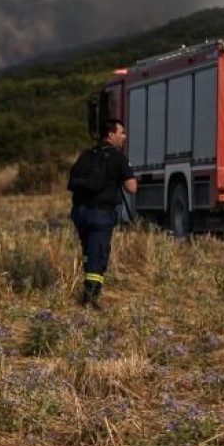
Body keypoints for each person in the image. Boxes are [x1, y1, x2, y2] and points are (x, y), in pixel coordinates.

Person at [69, 119, 137, 310]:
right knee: (98, 255)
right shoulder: (118, 157)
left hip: (80, 213)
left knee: (88, 253)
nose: (124, 137)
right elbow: (131, 188)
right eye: (121, 132)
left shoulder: (87, 155)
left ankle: (88, 288)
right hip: (100, 214)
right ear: (111, 134)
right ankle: (90, 298)